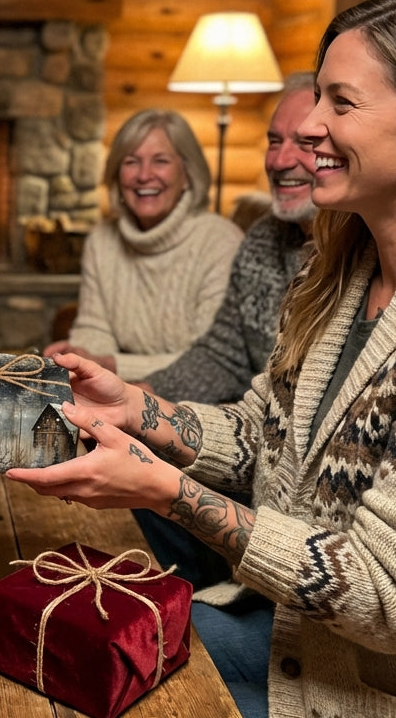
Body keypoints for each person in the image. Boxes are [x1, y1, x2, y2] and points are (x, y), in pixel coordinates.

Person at [9, 0, 396, 718]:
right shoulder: (339, 273)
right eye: (316, 95)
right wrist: (137, 405)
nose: (309, 126)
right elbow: (259, 434)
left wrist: (172, 492)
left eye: (339, 102)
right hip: (291, 637)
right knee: (82, 661)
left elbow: (389, 602)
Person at [131, 73, 318, 589]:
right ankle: (183, 593)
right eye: (274, 141)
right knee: (137, 447)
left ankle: (197, 607)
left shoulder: (367, 263)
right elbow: (221, 354)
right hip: (252, 446)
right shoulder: (263, 241)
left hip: (293, 489)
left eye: (304, 142)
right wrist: (145, 400)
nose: (280, 161)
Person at [45, 109, 243, 380]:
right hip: (118, 389)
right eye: (131, 162)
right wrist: (83, 357)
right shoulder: (101, 240)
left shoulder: (221, 244)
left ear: (187, 173)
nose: (144, 175)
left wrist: (112, 365)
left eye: (160, 161)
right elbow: (93, 330)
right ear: (116, 174)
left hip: (197, 398)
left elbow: (210, 363)